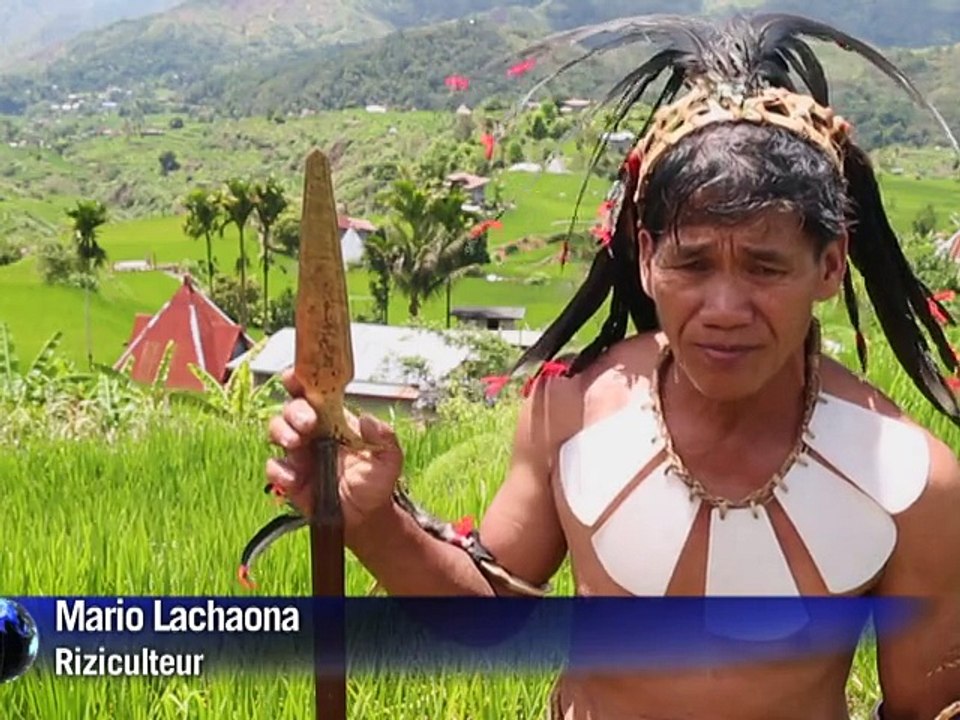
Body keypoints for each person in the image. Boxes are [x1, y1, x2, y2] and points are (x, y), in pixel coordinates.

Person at [265, 13, 960, 720]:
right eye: (691, 262)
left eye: (764, 266)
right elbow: (489, 613)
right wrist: (373, 518)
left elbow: (928, 707)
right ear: (646, 255)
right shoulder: (571, 414)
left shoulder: (913, 483)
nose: (725, 307)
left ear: (829, 265)